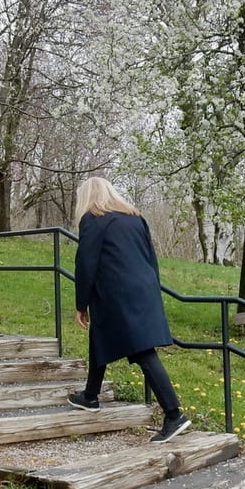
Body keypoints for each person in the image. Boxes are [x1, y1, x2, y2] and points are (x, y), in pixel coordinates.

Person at [67, 176, 191, 444]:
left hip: (117, 292)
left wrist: (80, 303)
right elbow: (150, 256)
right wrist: (152, 288)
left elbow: (86, 264)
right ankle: (90, 395)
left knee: (142, 350)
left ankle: (174, 414)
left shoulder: (93, 218)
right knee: (100, 335)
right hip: (143, 287)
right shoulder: (135, 218)